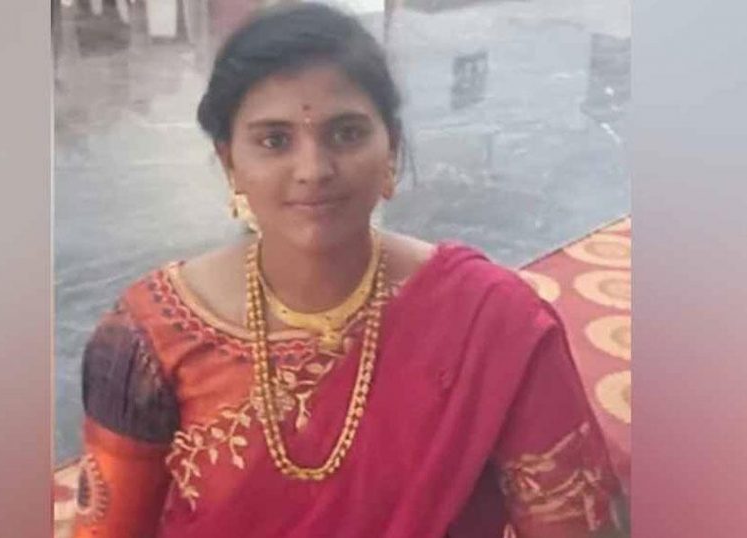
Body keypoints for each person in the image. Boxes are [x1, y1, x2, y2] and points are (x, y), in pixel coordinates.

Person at [71, 4, 627, 537]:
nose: (313, 169)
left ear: (391, 148)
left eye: (346, 133)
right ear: (230, 162)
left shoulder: (494, 325)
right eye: (274, 140)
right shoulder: (151, 340)